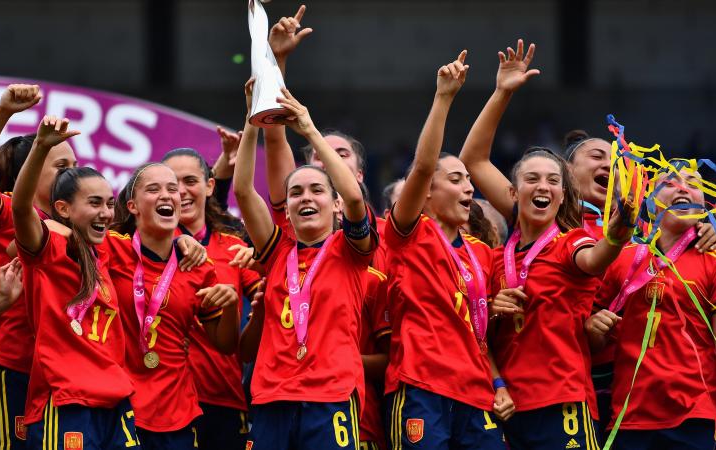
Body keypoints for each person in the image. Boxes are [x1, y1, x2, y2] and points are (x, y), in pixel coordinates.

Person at [459, 39, 639, 450]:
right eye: (532, 180)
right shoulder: (499, 253)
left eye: (552, 182)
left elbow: (595, 260)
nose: (542, 187)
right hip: (506, 402)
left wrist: (618, 232)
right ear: (515, 191)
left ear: (563, 196)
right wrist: (502, 92)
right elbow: (474, 159)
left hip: (562, 398)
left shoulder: (570, 241)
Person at [235, 81, 377, 450]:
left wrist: (310, 129)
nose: (305, 197)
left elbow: (355, 198)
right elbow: (244, 192)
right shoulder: (276, 250)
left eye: (317, 190)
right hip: (271, 396)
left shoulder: (350, 251)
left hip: (331, 396)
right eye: (296, 192)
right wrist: (253, 121)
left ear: (335, 205)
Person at [384, 53, 511, 449]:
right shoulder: (409, 234)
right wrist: (443, 98)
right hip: (423, 386)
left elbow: (477, 332)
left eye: (470, 180)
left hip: (476, 392)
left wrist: (498, 381)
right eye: (455, 180)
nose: (470, 189)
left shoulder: (483, 253)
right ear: (426, 193)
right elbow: (422, 167)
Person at [0, 84, 78, 449]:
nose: (72, 174)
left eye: (74, 165)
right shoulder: (8, 211)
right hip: (9, 364)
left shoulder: (78, 224)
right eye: (61, 166)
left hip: (55, 372)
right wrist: (4, 112)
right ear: (31, 168)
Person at [12, 115, 139, 449]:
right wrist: (40, 147)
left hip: (115, 400)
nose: (106, 213)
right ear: (62, 209)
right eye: (94, 203)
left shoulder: (105, 254)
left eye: (110, 204)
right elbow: (22, 208)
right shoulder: (48, 250)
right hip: (67, 401)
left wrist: (186, 241)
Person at [103, 162, 241, 449]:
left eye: (173, 190)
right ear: (133, 206)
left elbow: (226, 345)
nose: (167, 195)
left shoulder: (199, 268)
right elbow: (56, 231)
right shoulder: (111, 249)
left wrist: (231, 307)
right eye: (153, 189)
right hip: (122, 405)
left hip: (178, 410)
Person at [587, 166, 716, 450]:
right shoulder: (620, 258)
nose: (683, 188)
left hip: (695, 415)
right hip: (629, 416)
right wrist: (593, 327)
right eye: (670, 183)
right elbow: (592, 342)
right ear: (649, 201)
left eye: (693, 183)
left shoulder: (715, 259)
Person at [162, 148, 262, 450]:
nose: (180, 191)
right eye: (170, 184)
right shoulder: (143, 246)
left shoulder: (233, 248)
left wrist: (262, 274)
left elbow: (270, 299)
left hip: (222, 399)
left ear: (209, 186)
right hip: (161, 402)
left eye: (190, 180)